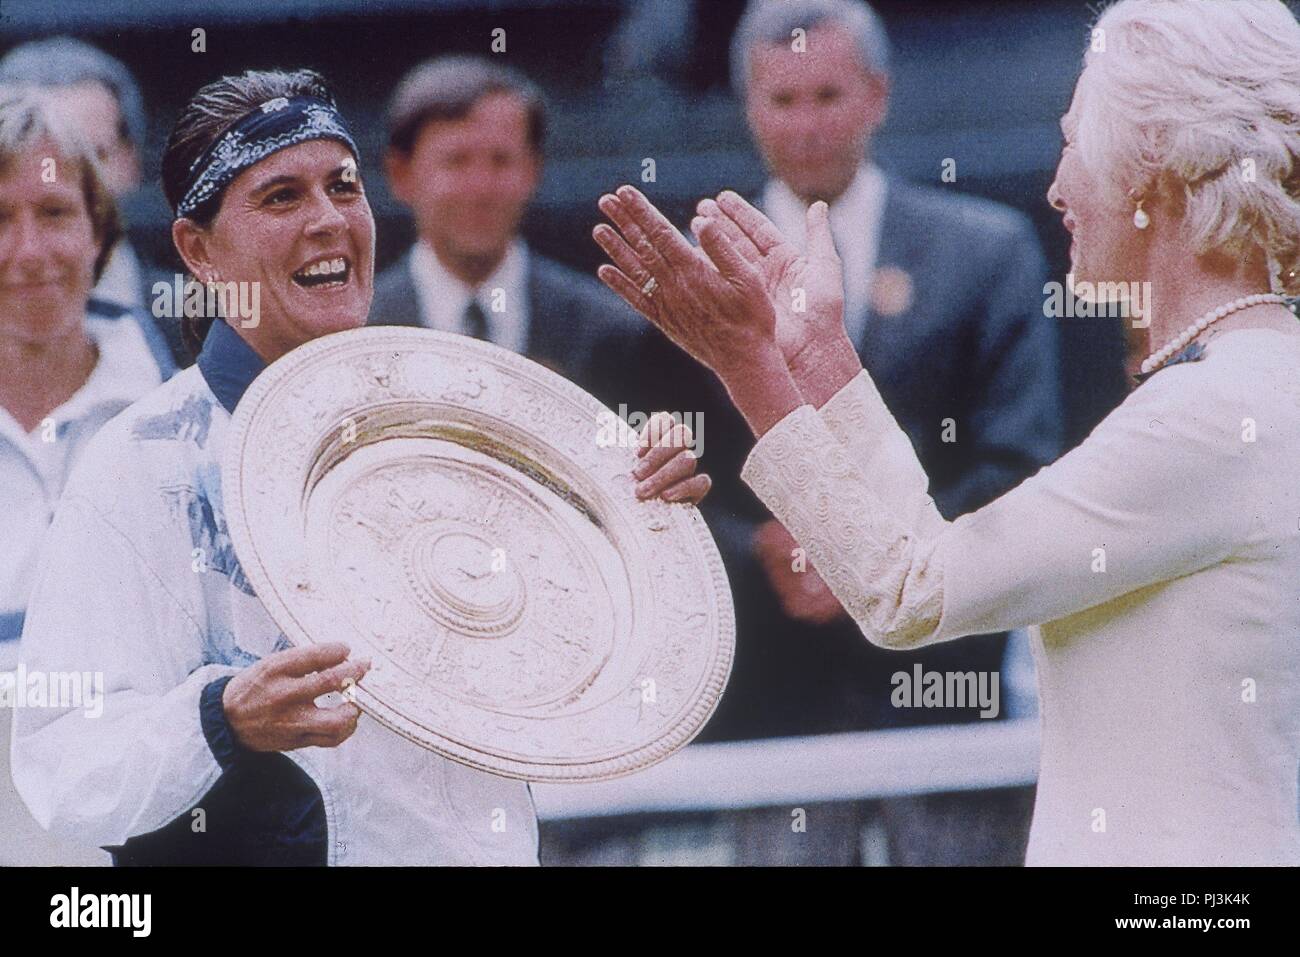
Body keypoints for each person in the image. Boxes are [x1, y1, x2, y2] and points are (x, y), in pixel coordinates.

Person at [593, 0, 1300, 866]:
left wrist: (750, 367)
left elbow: (910, 593)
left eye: (1074, 141)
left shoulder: (1209, 414)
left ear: (1148, 164)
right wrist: (821, 365)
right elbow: (929, 555)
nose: (1056, 185)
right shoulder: (1251, 382)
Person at [11, 68, 708, 866]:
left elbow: (566, 664)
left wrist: (634, 518)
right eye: (280, 197)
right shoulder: (143, 463)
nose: (328, 221)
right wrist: (221, 715)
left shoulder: (464, 426)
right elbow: (66, 765)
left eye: (343, 187)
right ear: (197, 250)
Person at [0, 86, 173, 865]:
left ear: (100, 227)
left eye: (55, 212)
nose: (27, 251)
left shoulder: (183, 411)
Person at [372, 55, 642, 408]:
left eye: (501, 160)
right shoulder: (362, 335)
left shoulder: (610, 333)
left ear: (533, 171)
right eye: (456, 162)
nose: (481, 188)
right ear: (401, 175)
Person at [0, 36, 184, 367]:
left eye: (90, 155)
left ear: (131, 158)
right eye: (31, 159)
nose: (59, 180)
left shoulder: (204, 317)